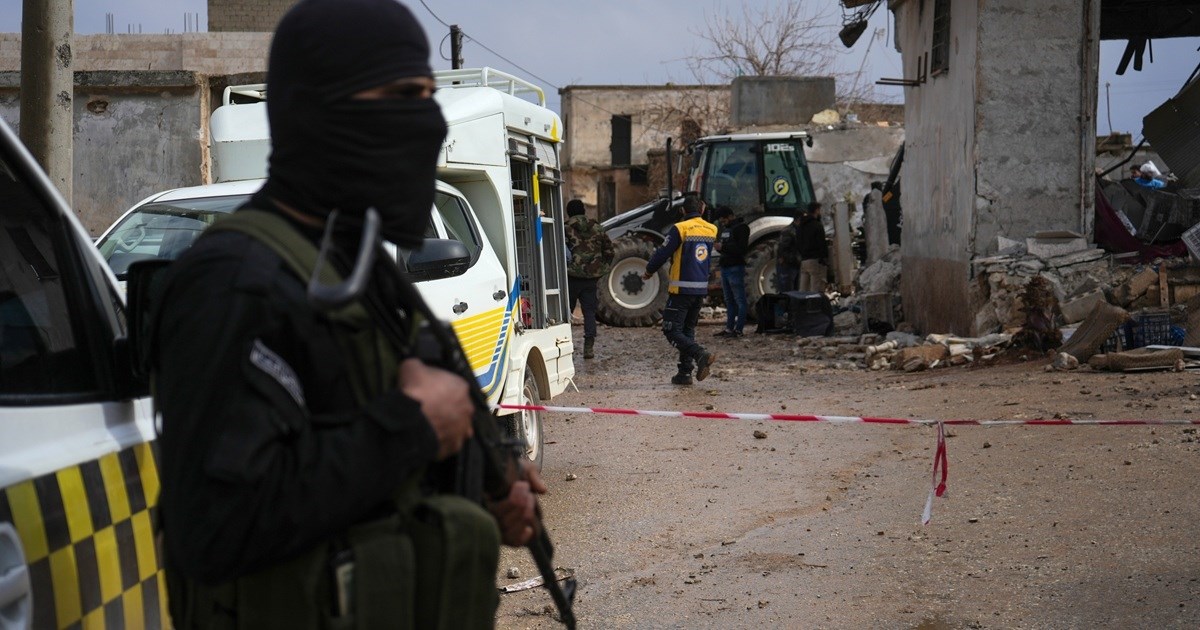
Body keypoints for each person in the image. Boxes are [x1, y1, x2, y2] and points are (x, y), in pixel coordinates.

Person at [150, 1, 545, 627]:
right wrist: (412, 425)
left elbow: (400, 423)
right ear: (322, 111)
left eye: (428, 96)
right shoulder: (234, 283)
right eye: (404, 95)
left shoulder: (354, 264)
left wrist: (497, 476)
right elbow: (218, 525)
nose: (427, 124)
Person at [643, 195, 718, 385]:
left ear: (683, 211)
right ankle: (685, 373)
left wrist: (649, 270)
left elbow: (663, 252)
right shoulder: (712, 229)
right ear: (702, 210)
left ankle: (700, 354)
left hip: (681, 289)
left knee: (671, 330)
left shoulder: (680, 228)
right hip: (700, 290)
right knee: (687, 329)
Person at [565, 198, 614, 359]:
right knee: (589, 313)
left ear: (569, 212)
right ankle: (588, 349)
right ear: (584, 211)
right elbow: (609, 251)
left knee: (566, 313)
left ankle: (566, 346)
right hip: (591, 278)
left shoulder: (565, 228)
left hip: (570, 277)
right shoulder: (597, 228)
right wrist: (601, 270)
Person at [712, 205, 749, 338]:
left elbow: (741, 248)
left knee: (739, 299)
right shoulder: (726, 229)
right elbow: (726, 247)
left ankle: (738, 329)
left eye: (724, 220)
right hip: (725, 267)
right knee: (729, 300)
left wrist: (723, 246)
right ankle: (729, 328)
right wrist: (719, 248)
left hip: (735, 267)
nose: (723, 222)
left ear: (730, 216)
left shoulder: (741, 228)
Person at [798, 201, 829, 292]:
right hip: (814, 260)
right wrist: (824, 258)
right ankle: (813, 305)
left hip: (804, 261)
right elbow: (821, 243)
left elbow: (798, 242)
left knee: (803, 289)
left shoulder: (801, 226)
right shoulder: (817, 225)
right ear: (816, 210)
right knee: (815, 289)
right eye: (819, 210)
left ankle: (802, 305)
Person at [776, 209, 801, 293]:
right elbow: (783, 249)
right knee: (787, 290)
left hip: (794, 264)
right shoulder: (788, 231)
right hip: (788, 265)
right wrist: (792, 259)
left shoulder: (797, 230)